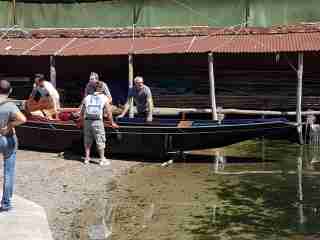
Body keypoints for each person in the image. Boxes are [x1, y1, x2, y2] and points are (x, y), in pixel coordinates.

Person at [0, 80, 26, 212]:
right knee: (8, 172)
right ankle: (5, 204)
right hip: (7, 138)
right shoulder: (10, 105)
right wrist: (9, 125)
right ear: (10, 91)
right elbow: (22, 119)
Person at [79, 81, 118, 166]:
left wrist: (80, 121)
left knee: (87, 140)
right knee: (100, 139)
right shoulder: (104, 98)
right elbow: (109, 112)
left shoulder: (87, 97)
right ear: (101, 88)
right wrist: (112, 123)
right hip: (97, 121)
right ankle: (102, 159)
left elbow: (82, 112)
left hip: (87, 121)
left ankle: (87, 159)